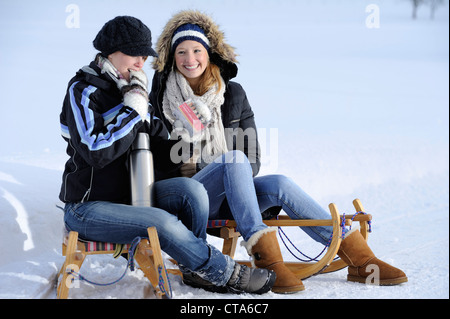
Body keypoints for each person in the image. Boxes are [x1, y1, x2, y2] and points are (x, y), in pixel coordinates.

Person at [149, 10, 408, 292]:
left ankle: (359, 258)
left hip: (232, 194)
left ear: (209, 54)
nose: (190, 59)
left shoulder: (233, 95)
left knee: (278, 182)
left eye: (197, 50)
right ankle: (267, 260)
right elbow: (157, 164)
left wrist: (230, 174)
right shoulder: (160, 100)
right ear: (172, 57)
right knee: (232, 159)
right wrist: (186, 134)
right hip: (189, 197)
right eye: (182, 52)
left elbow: (253, 159)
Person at [59, 15, 276, 295]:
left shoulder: (133, 94)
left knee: (191, 190)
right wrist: (132, 112)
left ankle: (193, 269)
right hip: (88, 208)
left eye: (143, 56)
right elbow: (95, 151)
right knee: (160, 222)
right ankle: (224, 271)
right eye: (134, 54)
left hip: (135, 198)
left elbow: (165, 155)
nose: (141, 63)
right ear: (110, 52)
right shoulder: (84, 91)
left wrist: (187, 133)